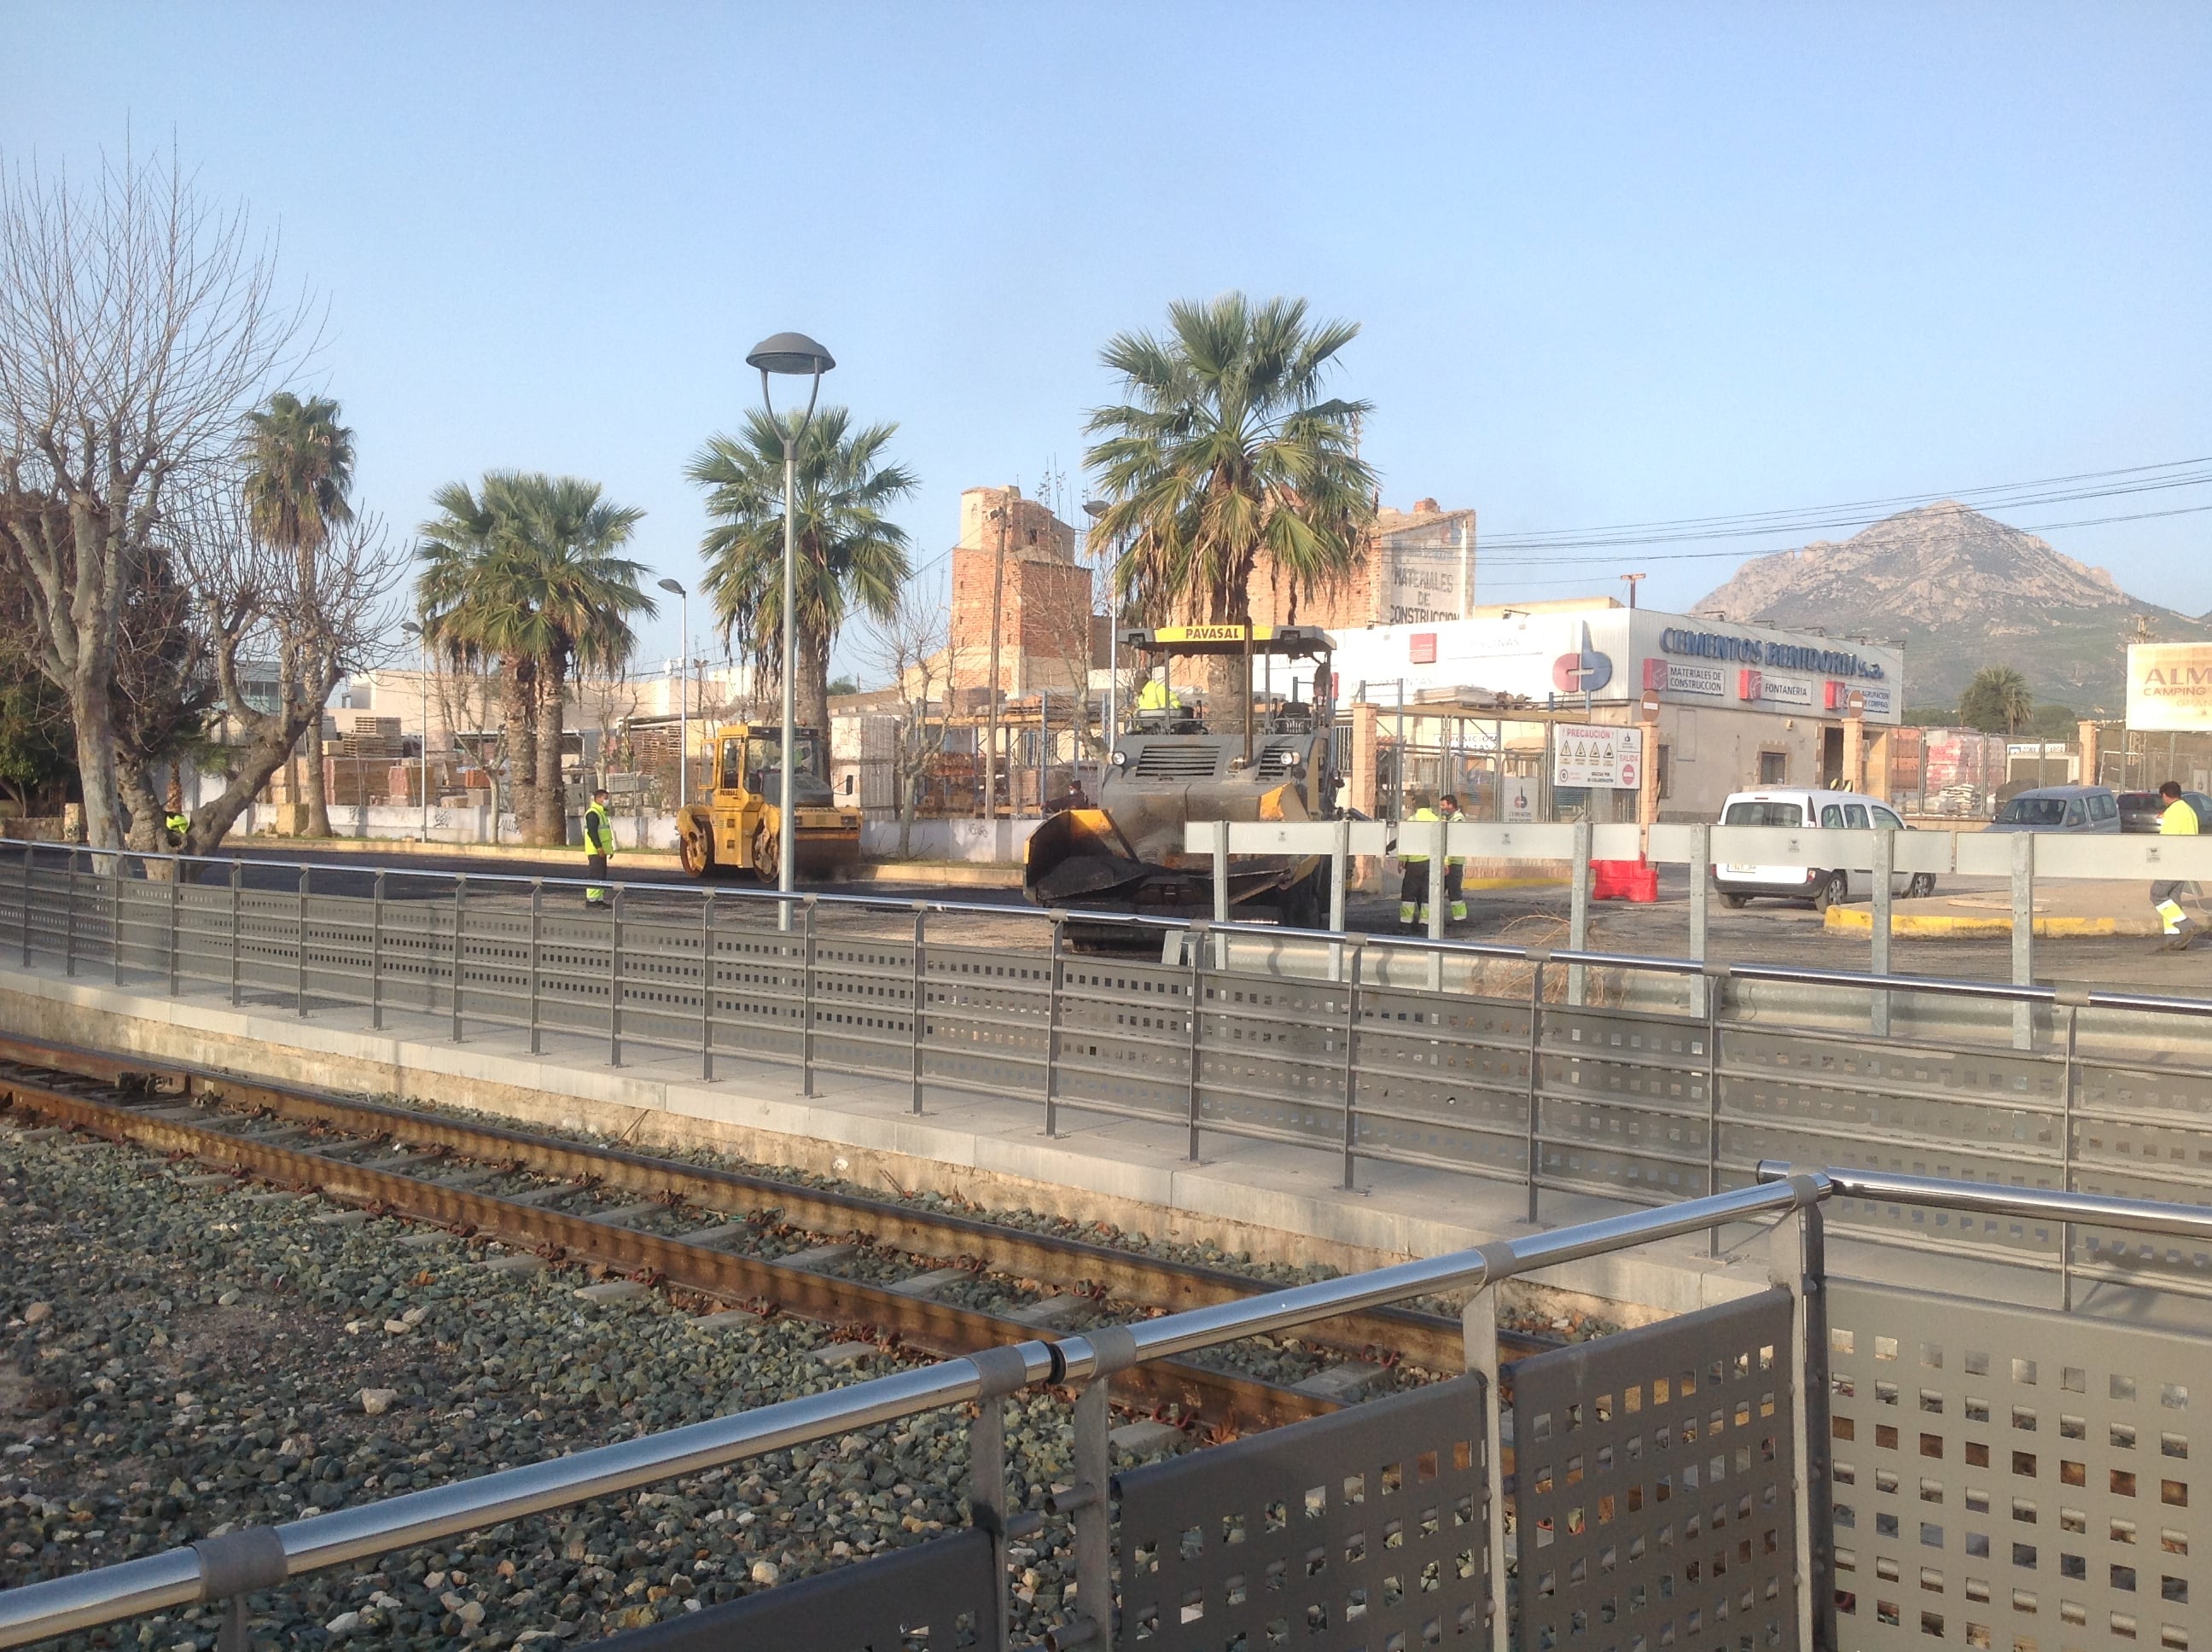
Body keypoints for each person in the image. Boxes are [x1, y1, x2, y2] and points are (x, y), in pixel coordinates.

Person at [2151, 779, 2199, 951]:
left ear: (2165, 795)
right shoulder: (2189, 810)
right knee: (2172, 899)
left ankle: (2186, 925)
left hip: (2173, 861)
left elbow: (2167, 840)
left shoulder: (2173, 812)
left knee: (2157, 894)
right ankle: (2174, 937)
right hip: (2187, 861)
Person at [1399, 800, 1440, 928]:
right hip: (1431, 861)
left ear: (1416, 806)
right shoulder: (1436, 819)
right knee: (1427, 893)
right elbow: (1442, 841)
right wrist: (1444, 862)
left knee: (1409, 893)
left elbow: (1406, 841)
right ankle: (1426, 923)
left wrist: (1402, 859)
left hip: (1414, 862)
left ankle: (1406, 922)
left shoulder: (1412, 820)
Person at [1437, 792, 1470, 924]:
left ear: (1451, 805)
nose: (1442, 808)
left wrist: (1446, 862)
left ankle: (1460, 919)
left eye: (1443, 805)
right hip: (1450, 862)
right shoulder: (1451, 819)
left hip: (1453, 863)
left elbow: (1451, 843)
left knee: (1454, 892)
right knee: (1442, 890)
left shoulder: (1457, 820)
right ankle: (1441, 919)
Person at [583, 786, 614, 909]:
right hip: (595, 851)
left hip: (602, 851)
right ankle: (591, 901)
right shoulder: (592, 813)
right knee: (595, 876)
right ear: (599, 799)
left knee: (601, 876)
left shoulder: (601, 813)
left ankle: (599, 899)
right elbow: (593, 832)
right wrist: (599, 847)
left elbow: (605, 833)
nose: (607, 801)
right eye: (606, 798)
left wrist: (609, 850)